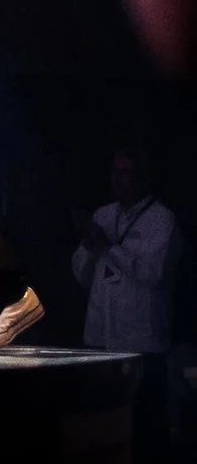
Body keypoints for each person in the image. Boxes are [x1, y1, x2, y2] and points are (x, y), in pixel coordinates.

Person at [72, 146, 178, 354]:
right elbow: (81, 276)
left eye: (125, 173)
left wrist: (108, 248)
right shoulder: (102, 215)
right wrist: (87, 244)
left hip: (140, 342)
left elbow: (154, 274)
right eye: (114, 172)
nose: (116, 179)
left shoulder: (161, 220)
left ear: (143, 178)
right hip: (98, 337)